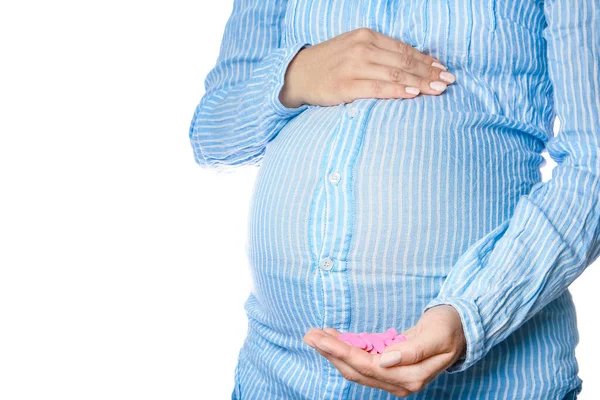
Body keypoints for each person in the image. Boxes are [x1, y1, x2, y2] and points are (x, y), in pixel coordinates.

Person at [188, 0, 598, 398]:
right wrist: (293, 77)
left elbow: (593, 165)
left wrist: (473, 314)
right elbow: (213, 137)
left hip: (492, 382)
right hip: (279, 375)